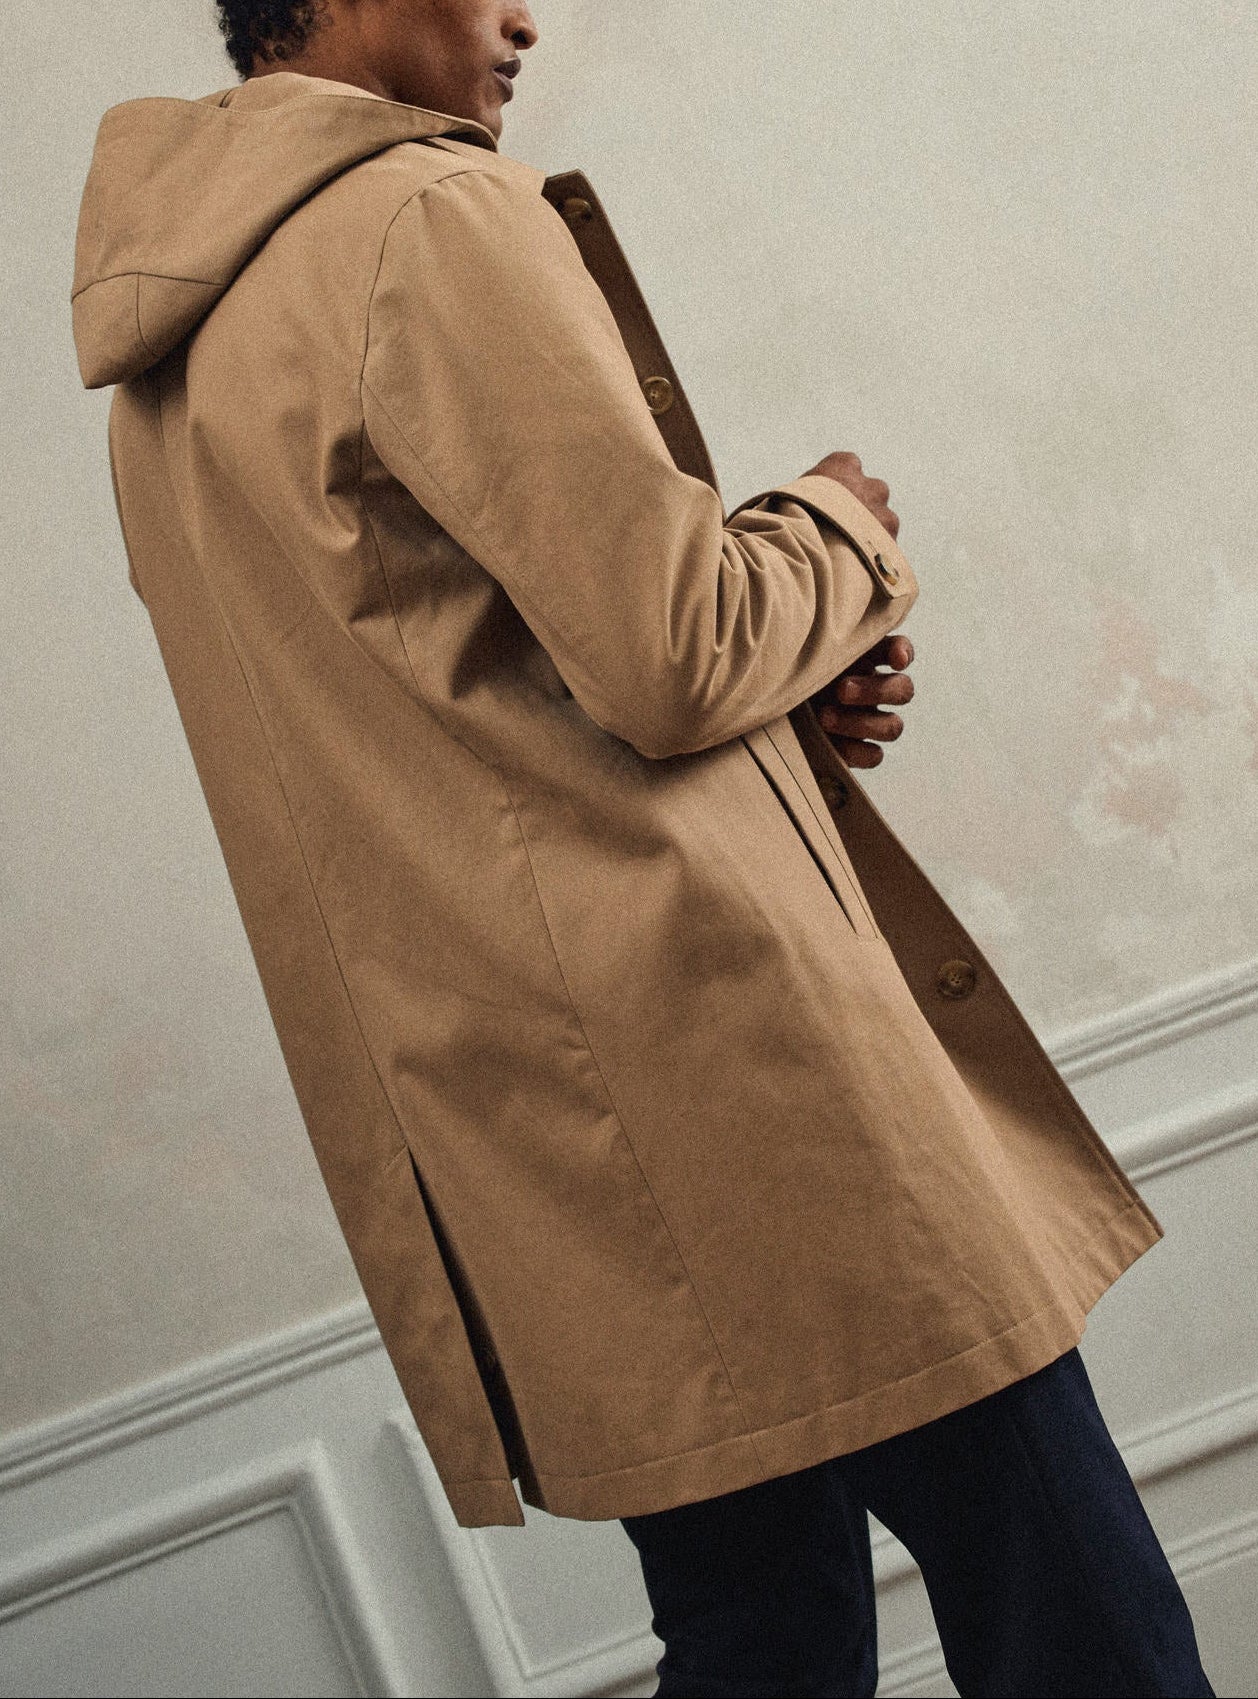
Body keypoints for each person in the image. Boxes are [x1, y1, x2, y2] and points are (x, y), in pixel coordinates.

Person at [71, 3, 1215, 1693]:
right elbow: (671, 654)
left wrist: (776, 722)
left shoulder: (170, 352)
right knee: (1069, 1602)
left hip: (539, 1142)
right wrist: (833, 529)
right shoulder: (427, 215)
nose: (528, 15)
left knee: (762, 1641)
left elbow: (446, 727)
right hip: (739, 1069)